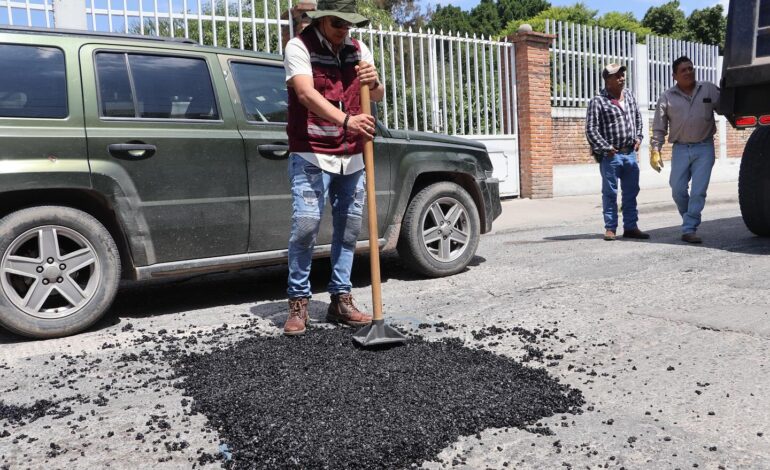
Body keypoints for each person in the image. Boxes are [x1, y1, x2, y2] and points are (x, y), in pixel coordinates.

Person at [282, 0, 385, 336]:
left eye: (349, 24)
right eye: (338, 24)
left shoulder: (358, 48)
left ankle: (341, 299)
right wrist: (346, 120)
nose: (345, 30)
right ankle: (298, 301)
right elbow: (305, 94)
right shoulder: (299, 47)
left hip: (352, 155)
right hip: (311, 152)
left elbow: (378, 94)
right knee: (306, 225)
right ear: (323, 19)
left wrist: (375, 80)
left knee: (349, 229)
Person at [651, 56, 720, 244]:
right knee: (677, 189)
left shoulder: (708, 89)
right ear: (675, 76)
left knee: (698, 191)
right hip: (680, 149)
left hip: (704, 147)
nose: (689, 72)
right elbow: (659, 127)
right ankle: (689, 218)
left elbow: (725, 107)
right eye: (684, 70)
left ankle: (689, 228)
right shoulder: (666, 97)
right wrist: (655, 149)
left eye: (691, 68)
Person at [586, 63, 650, 241]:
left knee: (631, 192)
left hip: (630, 153)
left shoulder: (629, 95)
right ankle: (610, 228)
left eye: (622, 74)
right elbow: (591, 129)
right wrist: (606, 147)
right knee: (610, 193)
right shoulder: (598, 101)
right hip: (611, 156)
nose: (622, 77)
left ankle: (631, 227)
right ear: (607, 80)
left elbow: (637, 117)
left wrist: (638, 137)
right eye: (617, 75)